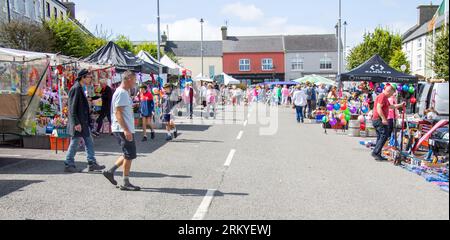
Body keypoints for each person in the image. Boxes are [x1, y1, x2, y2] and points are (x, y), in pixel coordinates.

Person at [102, 71, 140, 191]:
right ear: (128, 79)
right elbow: (117, 112)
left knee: (127, 153)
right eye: (134, 80)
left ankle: (110, 171)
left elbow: (120, 110)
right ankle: (125, 182)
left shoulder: (123, 92)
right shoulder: (122, 92)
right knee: (129, 155)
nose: (135, 82)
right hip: (123, 128)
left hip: (123, 128)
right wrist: (126, 130)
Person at [65, 69, 105, 173]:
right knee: (75, 142)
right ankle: (69, 163)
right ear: (83, 77)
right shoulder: (76, 88)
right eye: (89, 77)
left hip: (83, 122)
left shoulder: (80, 87)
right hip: (79, 122)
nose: (91, 79)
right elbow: (71, 108)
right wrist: (76, 123)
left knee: (89, 141)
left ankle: (91, 163)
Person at [372, 86, 405, 161]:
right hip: (379, 119)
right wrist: (383, 118)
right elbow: (378, 108)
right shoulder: (382, 96)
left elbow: (390, 106)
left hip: (378, 119)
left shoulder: (385, 98)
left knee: (380, 136)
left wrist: (400, 105)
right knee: (384, 135)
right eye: (392, 93)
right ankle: (375, 152)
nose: (392, 95)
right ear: (389, 91)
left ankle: (377, 153)